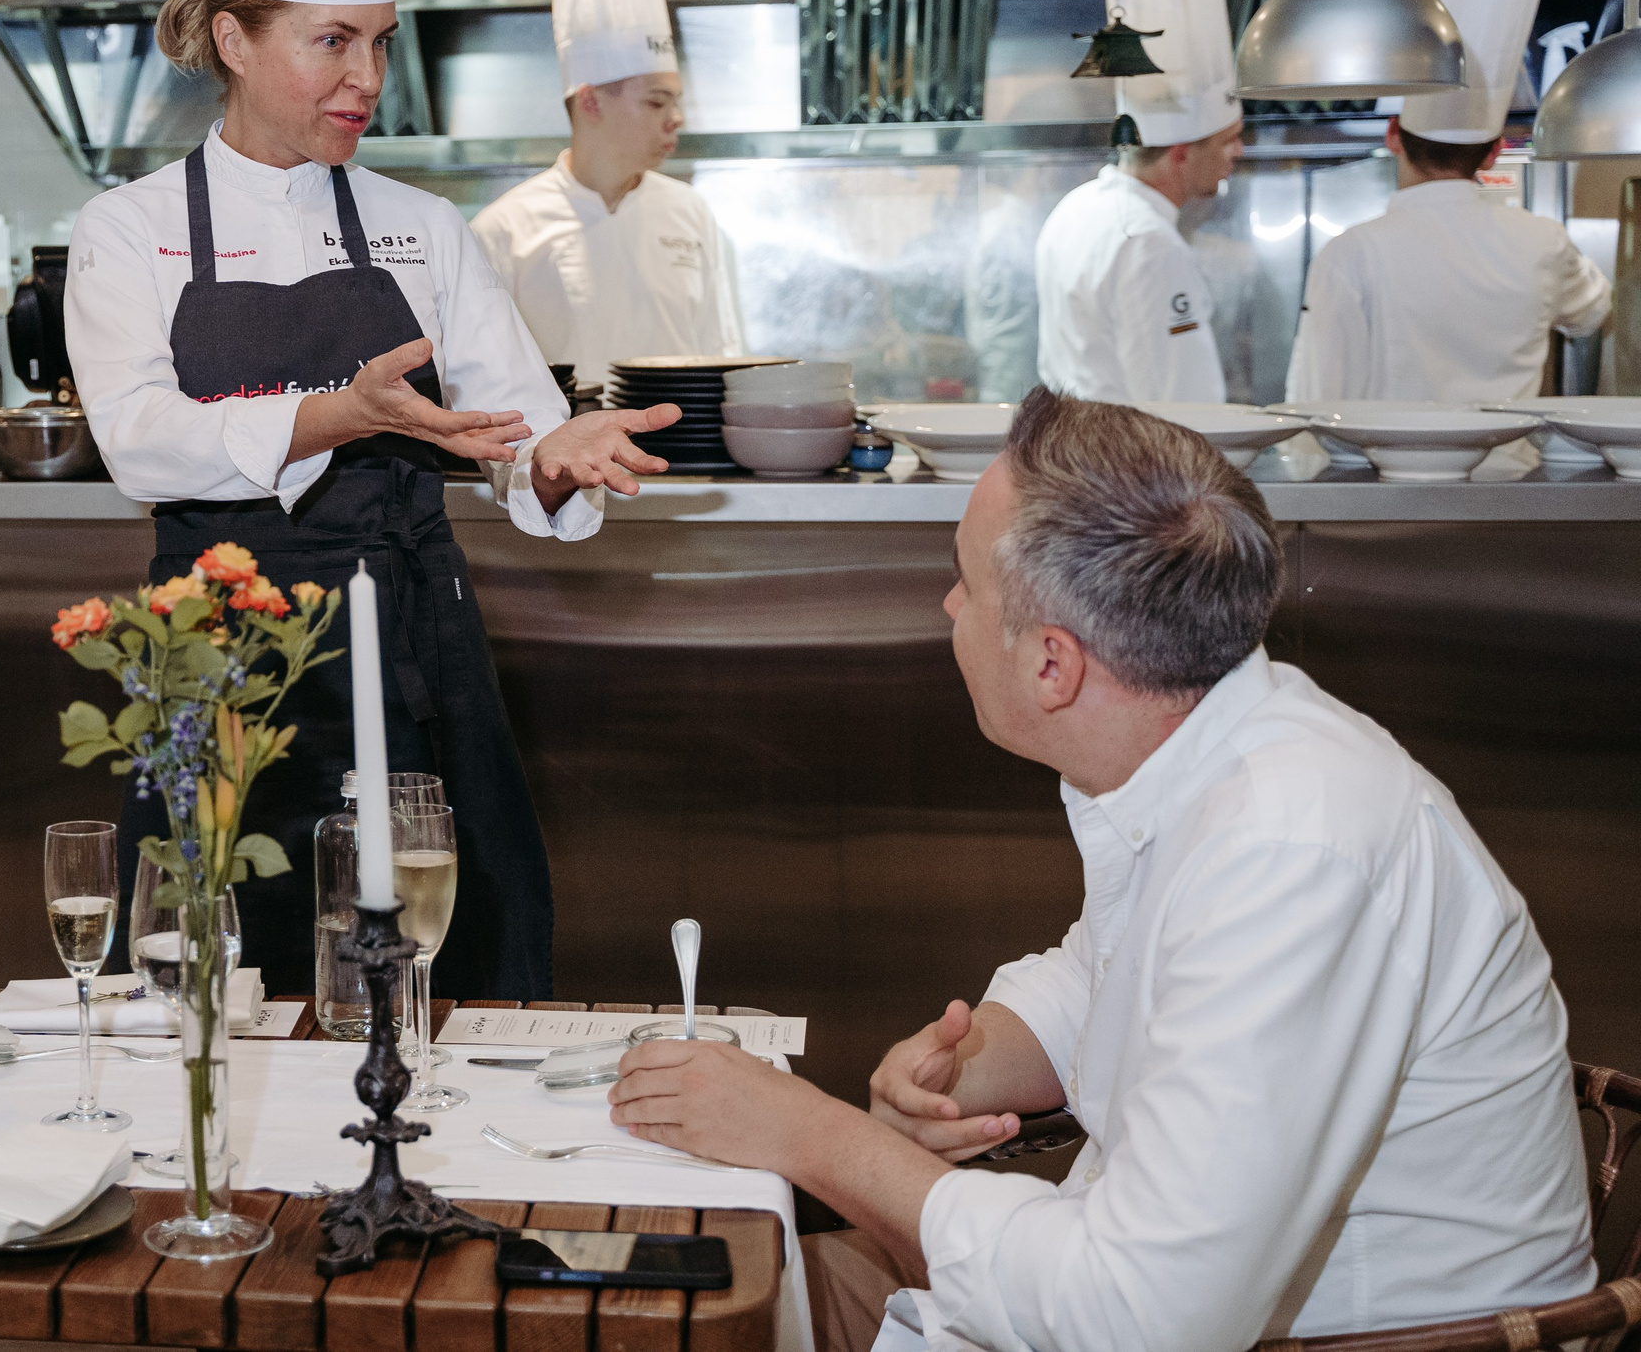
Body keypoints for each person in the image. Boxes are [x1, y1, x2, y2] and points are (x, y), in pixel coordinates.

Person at [607, 389, 1594, 1352]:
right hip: (1124, 1287)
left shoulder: (1293, 845)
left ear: (1053, 665)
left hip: (1338, 1333)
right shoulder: (1207, 748)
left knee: (669, 1315)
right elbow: (1111, 973)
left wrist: (809, 1136)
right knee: (688, 1285)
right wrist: (972, 1062)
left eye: (963, 581)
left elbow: (1141, 1316)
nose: (947, 604)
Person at [63, 0, 675, 1004]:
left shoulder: (420, 226)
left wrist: (553, 459)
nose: (367, 80)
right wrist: (339, 414)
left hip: (415, 648)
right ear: (234, 39)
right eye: (332, 41)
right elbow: (142, 445)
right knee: (224, 981)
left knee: (439, 974)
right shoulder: (128, 229)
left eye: (382, 43)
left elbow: (508, 434)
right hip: (220, 660)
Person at [1287, 0, 1611, 409]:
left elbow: (1314, 402)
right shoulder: (1543, 242)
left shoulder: (1349, 254)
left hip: (1384, 461)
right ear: (1494, 152)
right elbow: (1593, 312)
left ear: (1392, 135)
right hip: (1511, 462)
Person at [470, 0, 746, 385]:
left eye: (676, 102)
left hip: (683, 435)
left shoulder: (690, 213)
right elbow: (485, 380)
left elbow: (725, 357)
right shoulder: (502, 232)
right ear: (591, 102)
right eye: (656, 102)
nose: (677, 119)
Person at [1035, 0, 1240, 403]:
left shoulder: (1076, 208)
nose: (1238, 153)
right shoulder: (1149, 243)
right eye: (1228, 139)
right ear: (1182, 152)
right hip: (1130, 451)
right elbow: (1183, 404)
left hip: (1076, 443)